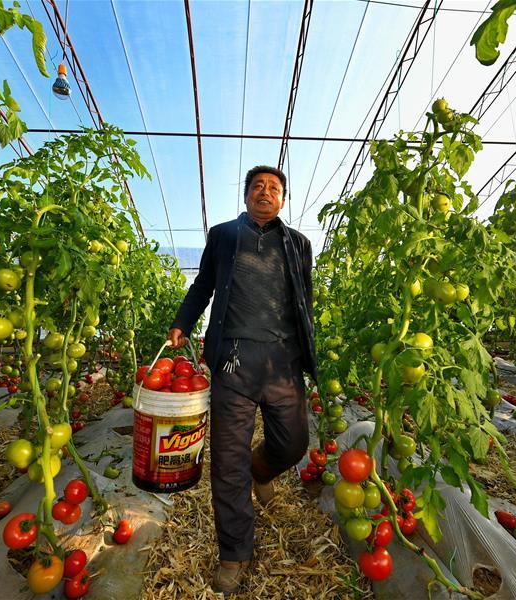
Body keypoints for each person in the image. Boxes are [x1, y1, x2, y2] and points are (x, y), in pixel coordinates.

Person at [167, 165, 317, 594]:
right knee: (228, 460)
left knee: (293, 443)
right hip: (233, 359)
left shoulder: (299, 244)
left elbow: (303, 300)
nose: (265, 192)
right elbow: (203, 286)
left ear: (283, 200)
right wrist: (183, 322)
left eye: (274, 188)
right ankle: (234, 552)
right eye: (257, 186)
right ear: (247, 194)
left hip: (282, 360)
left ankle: (262, 469)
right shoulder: (224, 235)